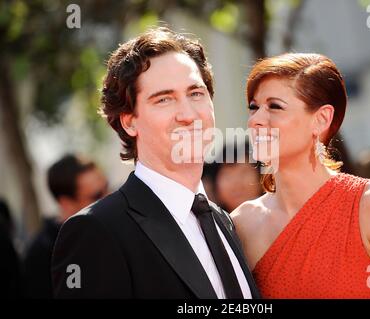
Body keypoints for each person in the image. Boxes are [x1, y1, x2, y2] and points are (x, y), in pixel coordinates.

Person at [51, 27, 259, 299]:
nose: (187, 114)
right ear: (130, 121)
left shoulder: (223, 221)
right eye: (164, 99)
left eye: (196, 93)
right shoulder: (97, 232)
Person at [231, 53, 370, 298]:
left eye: (274, 106)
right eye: (254, 107)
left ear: (321, 119)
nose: (256, 120)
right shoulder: (241, 223)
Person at [24, 154, 108, 298]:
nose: (109, 198)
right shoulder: (41, 254)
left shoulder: (115, 228)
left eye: (107, 187)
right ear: (66, 203)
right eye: (97, 195)